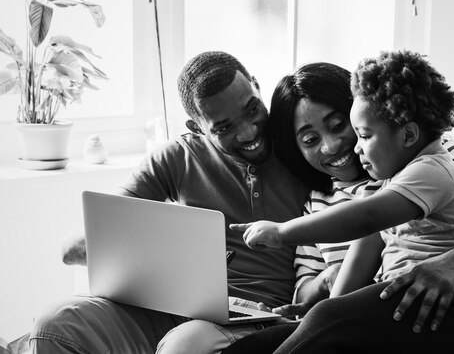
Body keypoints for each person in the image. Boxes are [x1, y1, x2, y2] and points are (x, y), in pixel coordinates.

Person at [224, 54, 454, 353]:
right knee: (256, 345)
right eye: (310, 140)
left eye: (343, 126)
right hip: (378, 323)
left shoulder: (437, 160)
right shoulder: (322, 201)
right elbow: (338, 272)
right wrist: (324, 289)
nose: (333, 146)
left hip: (449, 317)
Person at [29, 51, 311, 353]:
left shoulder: (303, 147)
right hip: (169, 308)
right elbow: (74, 248)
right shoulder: (179, 156)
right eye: (224, 127)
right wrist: (165, 260)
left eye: (252, 109)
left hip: (252, 318)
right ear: (197, 127)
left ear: (256, 86)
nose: (249, 131)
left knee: (183, 346)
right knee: (55, 324)